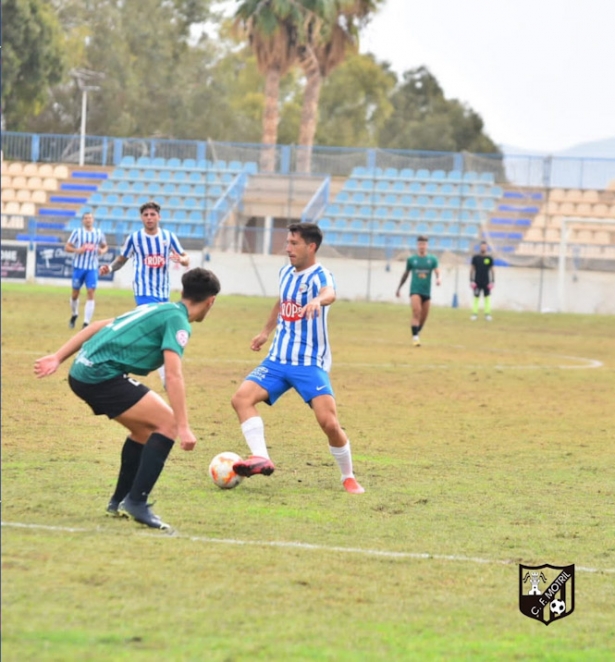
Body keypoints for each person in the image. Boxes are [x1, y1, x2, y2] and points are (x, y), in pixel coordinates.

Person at [34, 268, 221, 530]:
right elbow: (174, 375)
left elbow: (99, 325)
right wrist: (184, 426)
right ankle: (136, 502)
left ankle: (119, 500)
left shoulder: (158, 308)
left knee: (143, 430)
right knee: (168, 423)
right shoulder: (179, 322)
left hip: (84, 370)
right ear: (211, 301)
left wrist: (58, 357)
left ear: (182, 292)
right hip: (98, 375)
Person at [230, 222, 365, 494]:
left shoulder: (320, 275)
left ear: (311, 247)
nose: (288, 248)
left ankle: (348, 476)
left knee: (329, 423)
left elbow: (330, 293)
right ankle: (261, 457)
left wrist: (318, 301)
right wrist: (265, 331)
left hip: (309, 363)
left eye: (294, 243)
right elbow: (281, 302)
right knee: (241, 399)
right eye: (288, 243)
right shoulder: (285, 273)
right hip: (277, 359)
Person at [99, 200, 190, 385]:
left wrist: (181, 259)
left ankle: (127, 363)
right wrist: (109, 268)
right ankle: (165, 377)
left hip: (163, 293)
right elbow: (122, 259)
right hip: (143, 292)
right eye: (146, 215)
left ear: (159, 217)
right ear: (142, 218)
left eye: (152, 215)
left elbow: (186, 259)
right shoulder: (135, 238)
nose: (149, 218)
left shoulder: (168, 237)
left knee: (152, 333)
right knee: (156, 331)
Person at [395, 235, 441, 346]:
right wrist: (399, 288)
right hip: (415, 290)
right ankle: (415, 338)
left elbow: (437, 271)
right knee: (416, 312)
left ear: (427, 245)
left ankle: (416, 332)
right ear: (417, 245)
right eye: (420, 244)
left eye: (424, 244)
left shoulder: (432, 259)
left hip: (426, 292)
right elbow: (405, 274)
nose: (422, 246)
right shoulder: (412, 260)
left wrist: (438, 278)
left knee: (423, 318)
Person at [65, 211, 108, 329]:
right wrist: (77, 250)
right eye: (86, 218)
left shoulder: (99, 233)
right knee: (75, 294)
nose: (88, 220)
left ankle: (86, 323)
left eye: (90, 218)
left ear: (93, 220)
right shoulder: (77, 233)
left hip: (92, 268)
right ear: (83, 221)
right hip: (79, 267)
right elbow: (67, 247)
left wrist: (102, 251)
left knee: (91, 292)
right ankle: (74, 314)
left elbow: (105, 246)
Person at [470, 240, 495, 321]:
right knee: (476, 298)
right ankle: (474, 314)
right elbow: (472, 269)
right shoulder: (476, 258)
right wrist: (471, 280)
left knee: (487, 298)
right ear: (480, 247)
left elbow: (492, 270)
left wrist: (492, 281)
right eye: (482, 246)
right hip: (477, 281)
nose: (483, 247)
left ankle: (487, 314)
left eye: (484, 246)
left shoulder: (489, 258)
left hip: (486, 281)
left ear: (486, 247)